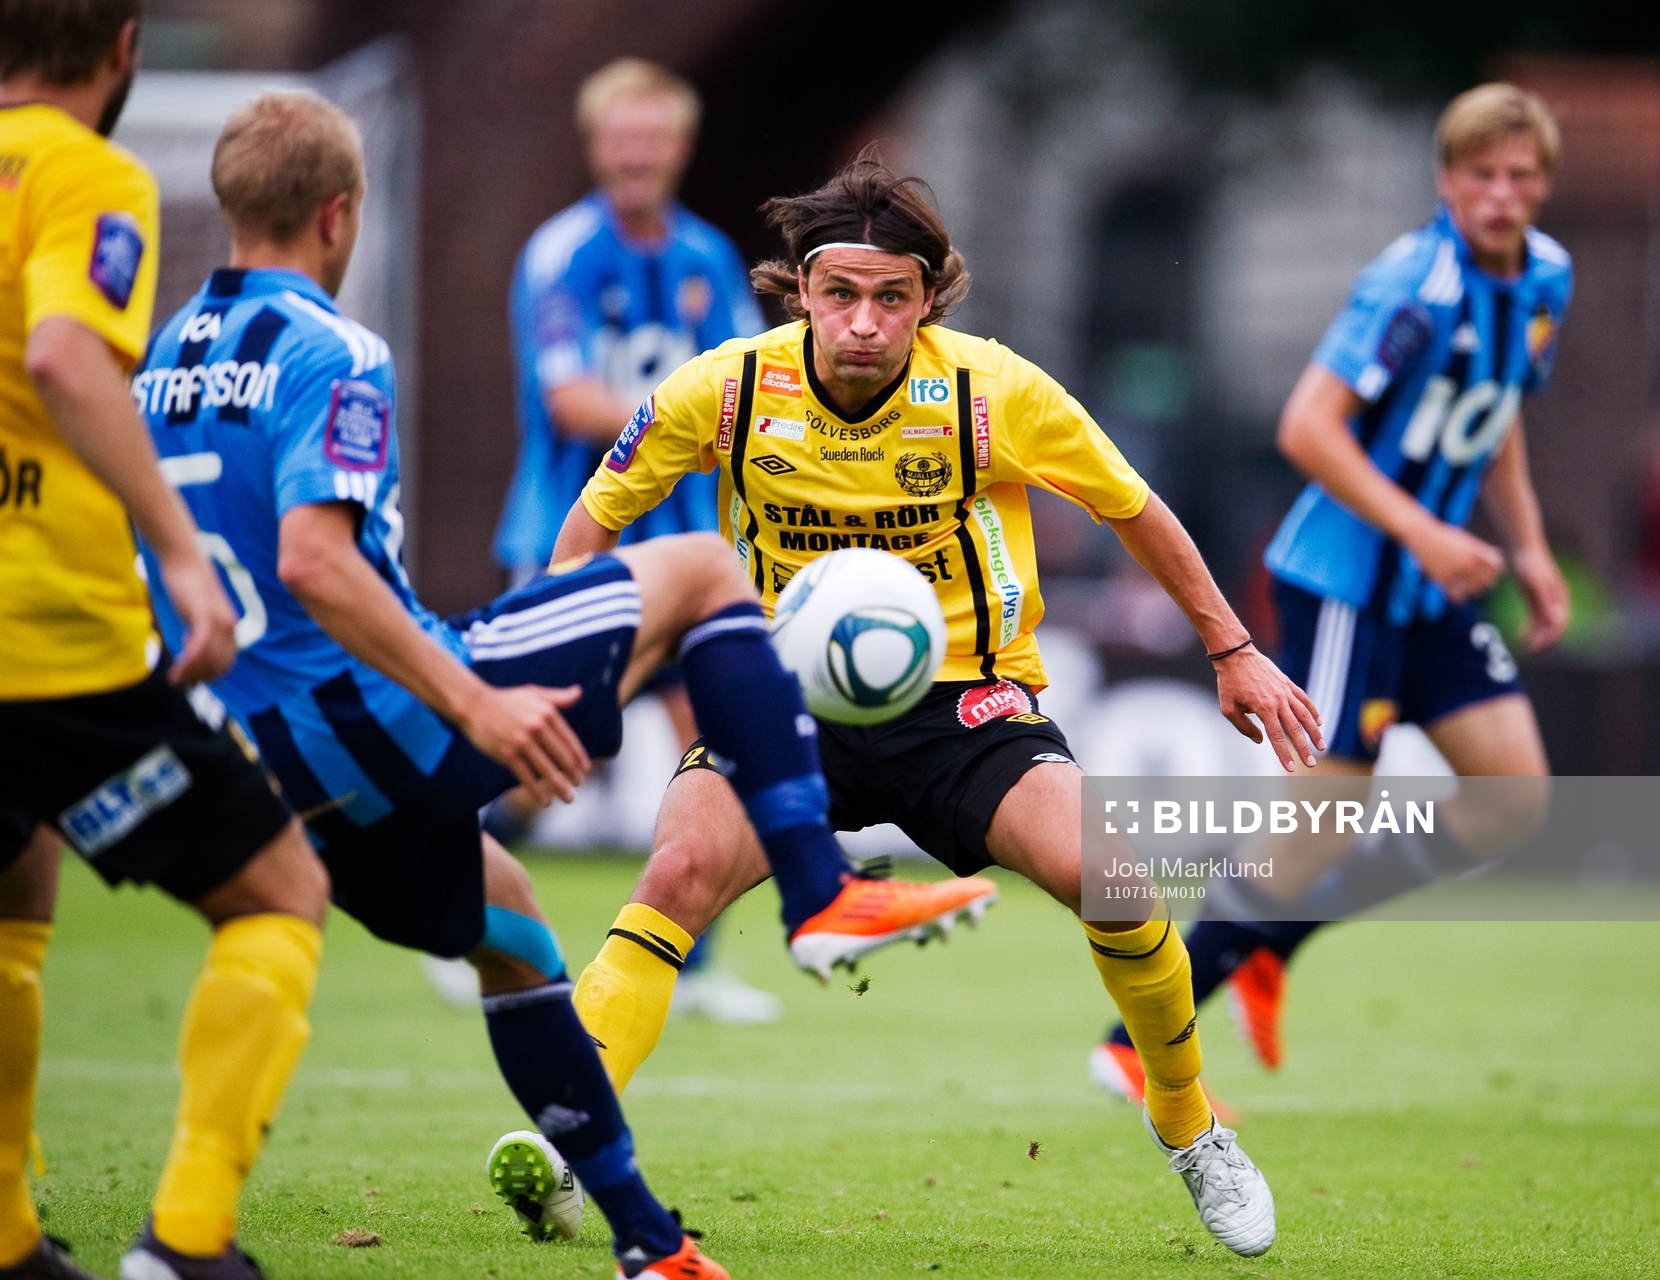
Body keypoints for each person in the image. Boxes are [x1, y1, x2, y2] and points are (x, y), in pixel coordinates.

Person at [136, 92, 990, 1280]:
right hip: (383, 706)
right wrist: (473, 700)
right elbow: (313, 560)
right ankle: (817, 889)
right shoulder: (336, 349)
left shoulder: (161, 358)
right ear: (343, 214)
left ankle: (651, 1244)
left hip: (262, 757)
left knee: (521, 937)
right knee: (703, 576)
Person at [543, 148, 1325, 1260]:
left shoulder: (988, 390)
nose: (865, 321)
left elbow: (1132, 505)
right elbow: (592, 520)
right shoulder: (722, 389)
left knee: (1117, 879)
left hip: (965, 708)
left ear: (927, 298)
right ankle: (579, 1143)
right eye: (842, 294)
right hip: (780, 706)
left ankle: (1185, 1117)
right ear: (801, 291)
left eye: (892, 297)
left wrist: (1231, 645)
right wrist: (563, 670)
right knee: (672, 875)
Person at [1090, 82, 1572, 1101]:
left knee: (1512, 798)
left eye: (1520, 176)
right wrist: (1428, 531)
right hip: (1349, 577)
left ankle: (1275, 937)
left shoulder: (1545, 282)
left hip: (1430, 579)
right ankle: (1137, 1038)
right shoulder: (1413, 283)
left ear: (1542, 186)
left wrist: (1526, 547)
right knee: (1322, 822)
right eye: (1480, 174)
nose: (1500, 194)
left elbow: (1499, 415)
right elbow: (1308, 426)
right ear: (1446, 181)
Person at [0, 6, 328, 1279]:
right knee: (278, 889)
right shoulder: (85, 173)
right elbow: (66, 356)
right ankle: (190, 1242)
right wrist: (180, 554)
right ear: (125, 42)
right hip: (54, 636)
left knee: (18, 890)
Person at [487, 58, 777, 1024]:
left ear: (680, 148)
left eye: (655, 136)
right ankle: (465, 914)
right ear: (595, 145)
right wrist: (688, 428)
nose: (638, 153)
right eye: (622, 136)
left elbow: (752, 393)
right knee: (541, 750)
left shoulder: (706, 261)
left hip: (690, 548)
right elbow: (569, 400)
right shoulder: (561, 253)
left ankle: (692, 966)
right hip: (578, 532)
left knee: (716, 736)